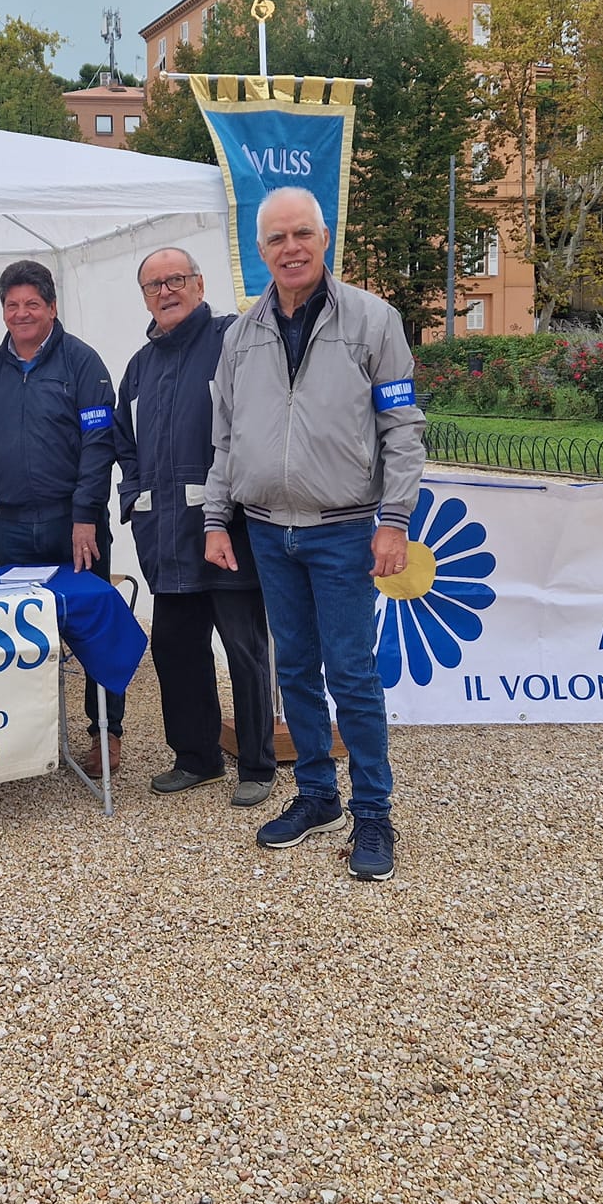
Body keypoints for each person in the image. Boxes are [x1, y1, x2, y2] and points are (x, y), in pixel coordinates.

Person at [202, 187, 426, 882]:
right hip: (269, 532)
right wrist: (216, 517)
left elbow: (403, 429)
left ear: (324, 239)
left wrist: (394, 521)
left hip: (346, 529)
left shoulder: (372, 321)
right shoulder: (240, 337)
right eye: (276, 238)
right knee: (292, 671)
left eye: (302, 233)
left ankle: (374, 812)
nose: (290, 248)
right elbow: (226, 438)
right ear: (260, 251)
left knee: (352, 675)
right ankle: (320, 797)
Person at [114, 246, 277, 807]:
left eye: (176, 279)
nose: (166, 291)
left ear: (200, 285)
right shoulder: (138, 367)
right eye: (154, 285)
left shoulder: (232, 341)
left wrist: (230, 511)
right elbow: (124, 445)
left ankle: (257, 764)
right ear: (144, 297)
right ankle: (197, 758)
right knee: (175, 650)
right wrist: (132, 497)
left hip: (226, 534)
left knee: (244, 649)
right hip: (165, 540)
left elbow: (251, 428)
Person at [0, 259, 124, 770]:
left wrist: (84, 515)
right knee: (15, 632)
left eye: (32, 303)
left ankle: (106, 734)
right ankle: (26, 737)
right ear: (2, 311)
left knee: (92, 630)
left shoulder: (83, 363)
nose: (22, 313)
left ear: (51, 307)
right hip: (9, 525)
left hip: (73, 525)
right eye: (12, 305)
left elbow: (99, 446)